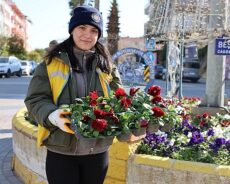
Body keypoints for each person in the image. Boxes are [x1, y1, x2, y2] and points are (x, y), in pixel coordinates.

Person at [24, 5, 122, 184]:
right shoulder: (50, 63)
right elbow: (35, 99)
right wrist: (53, 116)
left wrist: (132, 118)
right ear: (72, 30)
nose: (88, 34)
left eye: (94, 30)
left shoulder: (107, 65)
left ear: (98, 35)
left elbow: (119, 100)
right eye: (82, 28)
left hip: (98, 151)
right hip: (61, 152)